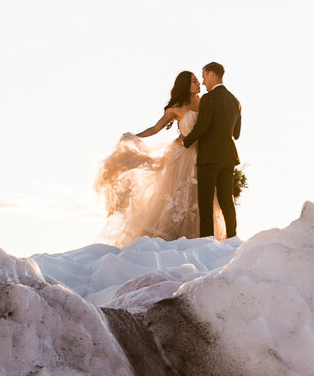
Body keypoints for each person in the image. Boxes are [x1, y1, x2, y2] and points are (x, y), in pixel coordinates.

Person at [94, 70, 206, 244]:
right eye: (194, 81)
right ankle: (173, 237)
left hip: (203, 153)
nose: (198, 84)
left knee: (199, 198)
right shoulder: (175, 108)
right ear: (185, 85)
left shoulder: (205, 102)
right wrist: (135, 136)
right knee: (178, 196)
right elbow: (155, 128)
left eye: (198, 80)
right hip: (183, 155)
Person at [183, 62, 241, 240]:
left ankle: (206, 241)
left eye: (203, 76)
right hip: (228, 157)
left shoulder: (209, 98)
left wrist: (185, 141)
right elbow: (236, 134)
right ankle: (232, 238)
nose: (203, 81)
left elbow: (202, 128)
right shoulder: (235, 101)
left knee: (206, 202)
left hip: (209, 157)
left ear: (211, 74)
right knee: (226, 201)